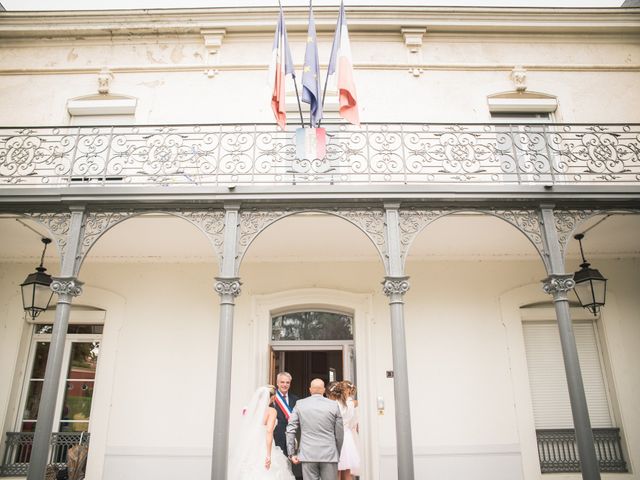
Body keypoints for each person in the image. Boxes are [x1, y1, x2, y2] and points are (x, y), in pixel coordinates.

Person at [228, 385, 294, 479]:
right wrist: (268, 455)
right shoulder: (271, 411)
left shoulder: (248, 410)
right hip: (263, 444)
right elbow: (269, 431)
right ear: (273, 397)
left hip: (249, 445)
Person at [286, 378, 344, 480]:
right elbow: (340, 433)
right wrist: (337, 451)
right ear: (323, 390)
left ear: (310, 390)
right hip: (329, 454)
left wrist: (291, 453)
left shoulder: (300, 404)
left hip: (308, 454)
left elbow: (290, 429)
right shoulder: (334, 405)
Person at [327, 381, 361, 480]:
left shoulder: (333, 405)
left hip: (336, 438)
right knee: (347, 471)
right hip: (348, 437)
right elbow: (354, 423)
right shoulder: (352, 404)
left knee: (336, 471)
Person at [272, 372, 302, 479]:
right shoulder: (272, 399)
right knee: (278, 467)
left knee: (289, 468)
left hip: (292, 438)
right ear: (277, 383)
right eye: (282, 382)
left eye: (287, 382)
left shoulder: (296, 399)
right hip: (275, 437)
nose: (285, 385)